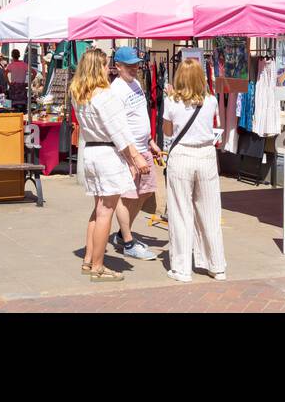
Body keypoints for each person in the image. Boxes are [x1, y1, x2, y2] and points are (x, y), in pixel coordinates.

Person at [71, 47, 150, 283]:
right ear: (98, 68)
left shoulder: (79, 94)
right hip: (107, 153)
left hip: (92, 152)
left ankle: (88, 259)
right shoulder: (105, 95)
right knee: (106, 211)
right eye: (106, 65)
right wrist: (134, 157)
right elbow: (119, 131)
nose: (109, 69)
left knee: (98, 209)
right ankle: (97, 266)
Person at [162, 57, 227, 283]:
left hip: (182, 156)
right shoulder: (210, 100)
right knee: (210, 211)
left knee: (181, 212)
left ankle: (182, 269)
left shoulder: (171, 101)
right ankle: (216, 265)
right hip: (206, 155)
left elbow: (168, 132)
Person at [107, 46, 162, 260]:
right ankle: (128, 241)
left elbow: (140, 114)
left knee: (146, 191)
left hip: (143, 147)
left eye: (136, 64)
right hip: (129, 151)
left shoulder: (137, 84)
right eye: (129, 65)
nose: (134, 68)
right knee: (126, 195)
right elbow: (118, 127)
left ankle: (122, 232)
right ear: (118, 67)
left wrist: (149, 140)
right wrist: (132, 156)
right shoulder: (116, 90)